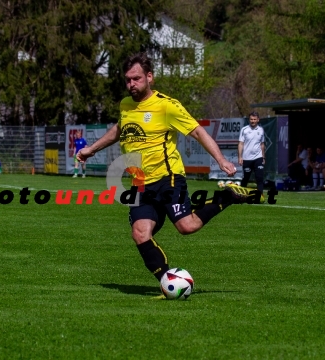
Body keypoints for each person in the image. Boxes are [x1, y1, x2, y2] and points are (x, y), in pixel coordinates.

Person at [77, 52, 260, 287]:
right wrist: (92, 149)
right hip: (140, 183)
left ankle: (227, 197)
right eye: (128, 80)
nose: (131, 84)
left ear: (149, 77)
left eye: (136, 79)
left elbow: (197, 131)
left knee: (187, 226)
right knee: (140, 233)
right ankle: (168, 282)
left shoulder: (167, 106)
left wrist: (221, 160)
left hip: (168, 178)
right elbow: (121, 128)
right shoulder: (125, 104)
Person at [238, 111, 265, 196]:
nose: (252, 121)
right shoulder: (244, 129)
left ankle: (260, 195)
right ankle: (241, 195)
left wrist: (263, 157)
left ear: (258, 120)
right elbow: (241, 144)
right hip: (247, 158)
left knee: (259, 178)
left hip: (258, 157)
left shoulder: (261, 130)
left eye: (254, 119)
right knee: (246, 178)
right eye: (251, 119)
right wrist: (240, 157)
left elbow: (262, 144)